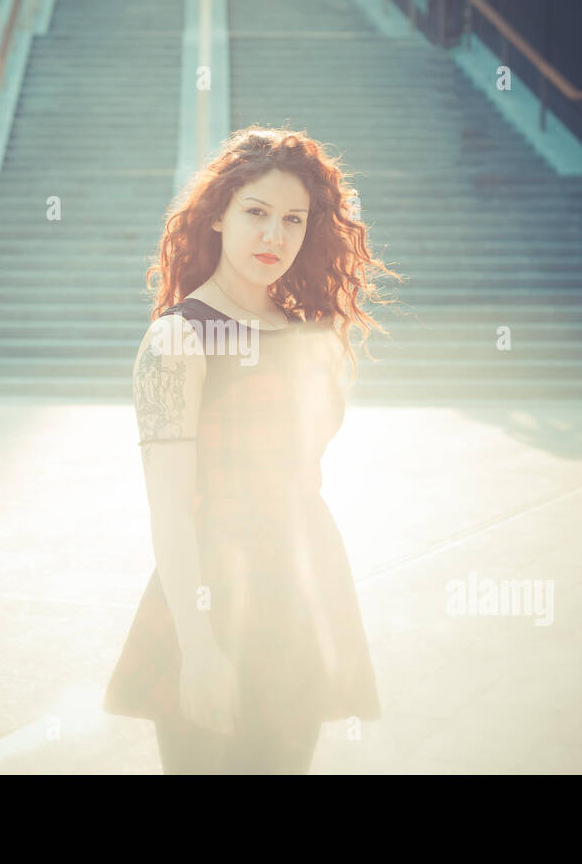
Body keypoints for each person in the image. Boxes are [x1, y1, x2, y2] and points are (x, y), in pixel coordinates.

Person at [102, 126, 402, 773]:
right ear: (217, 216)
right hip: (214, 592)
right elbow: (171, 508)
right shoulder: (180, 337)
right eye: (256, 213)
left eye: (293, 220)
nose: (275, 237)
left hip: (303, 584)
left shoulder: (304, 325)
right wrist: (200, 649)